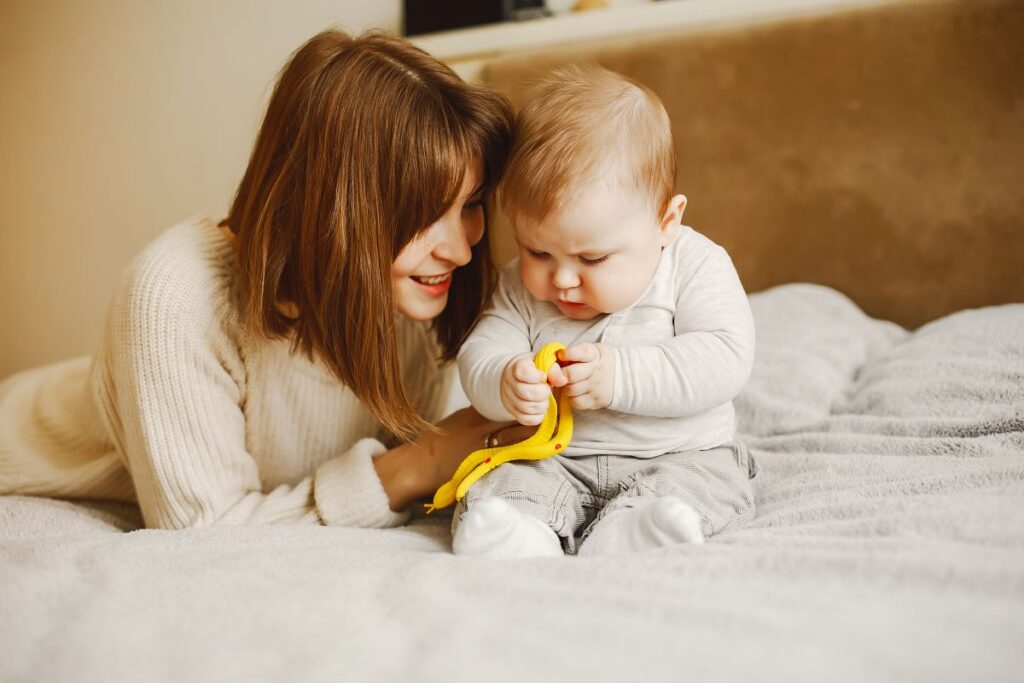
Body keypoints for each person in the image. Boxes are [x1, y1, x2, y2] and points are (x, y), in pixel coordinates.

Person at [0, 29, 521, 530]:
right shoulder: (176, 295)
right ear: (331, 210)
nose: (460, 249)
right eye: (426, 214)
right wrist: (421, 462)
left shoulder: (412, 296)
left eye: (471, 205)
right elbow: (205, 531)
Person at [454, 65, 758, 558]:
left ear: (666, 221)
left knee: (704, 484)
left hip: (679, 454)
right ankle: (516, 532)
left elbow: (725, 356)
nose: (562, 280)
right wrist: (504, 382)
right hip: (556, 459)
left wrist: (621, 376)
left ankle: (641, 529)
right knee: (502, 483)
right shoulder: (516, 287)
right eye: (537, 252)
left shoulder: (694, 263)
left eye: (592, 259)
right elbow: (481, 352)